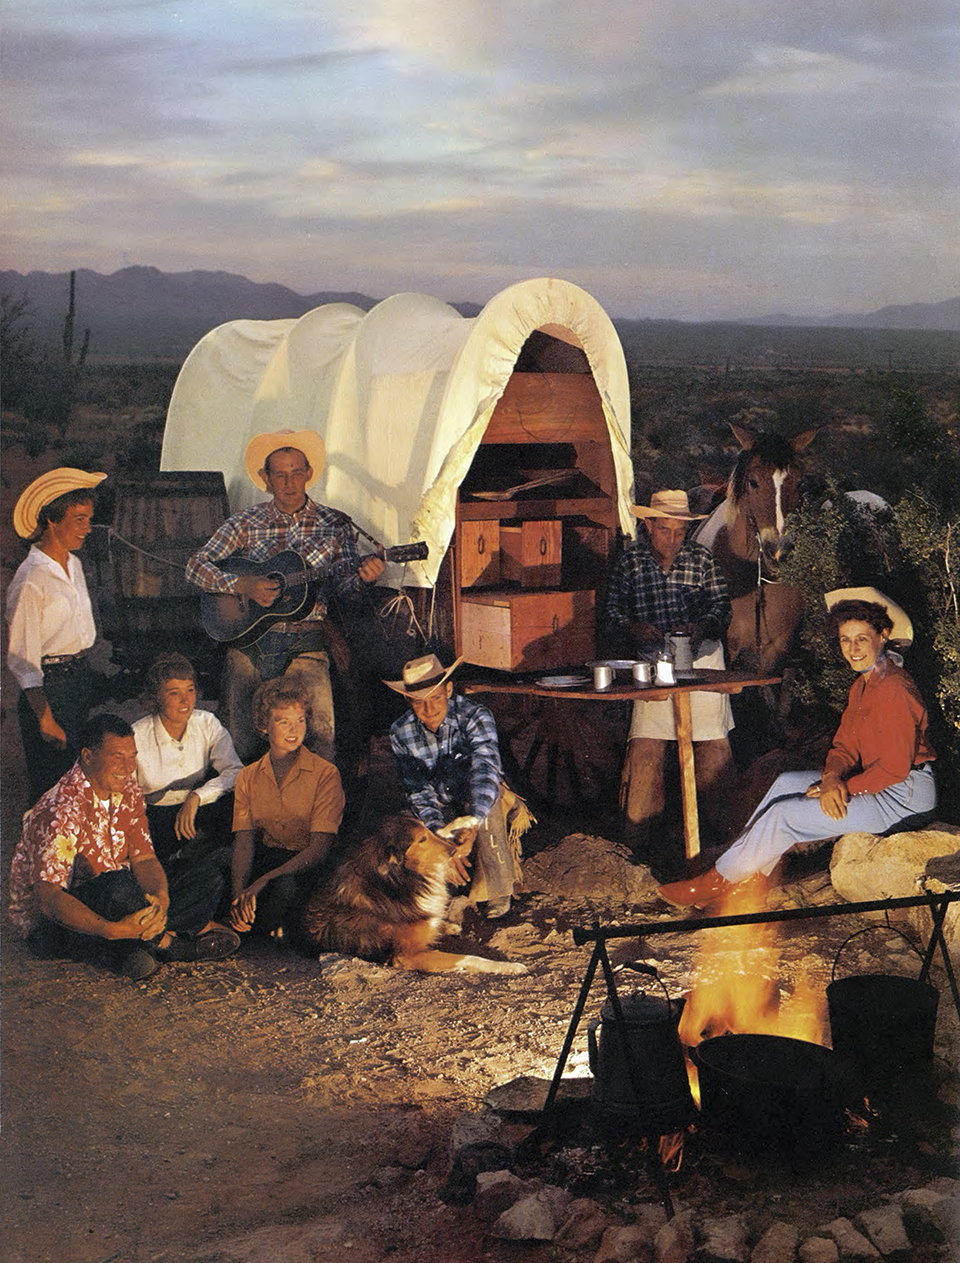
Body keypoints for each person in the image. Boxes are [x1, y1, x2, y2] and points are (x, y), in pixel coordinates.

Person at [659, 592, 937, 908]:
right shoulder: (863, 684)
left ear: (882, 636)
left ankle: (713, 882)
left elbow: (894, 769)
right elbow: (844, 744)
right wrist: (831, 776)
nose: (853, 649)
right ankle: (751, 879)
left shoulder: (894, 689)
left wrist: (843, 788)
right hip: (879, 784)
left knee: (785, 815)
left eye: (862, 639)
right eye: (846, 640)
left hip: (904, 798)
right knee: (784, 784)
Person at [185, 429, 385, 766]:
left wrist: (364, 578)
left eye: (296, 472)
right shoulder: (245, 522)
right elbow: (194, 568)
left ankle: (315, 813)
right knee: (240, 744)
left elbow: (347, 591)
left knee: (320, 741)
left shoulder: (335, 525)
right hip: (249, 644)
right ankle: (245, 810)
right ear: (265, 478)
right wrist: (241, 586)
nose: (289, 482)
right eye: (280, 474)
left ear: (308, 474)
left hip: (305, 643)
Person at [8, 714, 239, 982]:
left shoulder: (127, 789)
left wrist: (160, 899)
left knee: (205, 876)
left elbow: (143, 858)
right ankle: (167, 945)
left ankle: (132, 946)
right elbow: (48, 900)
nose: (128, 767)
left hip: (122, 898)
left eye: (133, 757)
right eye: (118, 757)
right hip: (58, 921)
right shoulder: (60, 809)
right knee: (116, 885)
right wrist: (109, 929)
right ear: (87, 756)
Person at [605, 489, 735, 874]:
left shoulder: (701, 558)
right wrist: (633, 626)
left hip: (702, 656)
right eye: (665, 531)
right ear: (648, 526)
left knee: (712, 744)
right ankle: (639, 841)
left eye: (679, 532)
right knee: (647, 746)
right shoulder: (631, 562)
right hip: (653, 658)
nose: (673, 539)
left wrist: (701, 626)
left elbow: (721, 607)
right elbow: (612, 610)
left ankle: (722, 836)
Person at [385, 654, 531, 920]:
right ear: (408, 700)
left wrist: (472, 822)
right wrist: (440, 834)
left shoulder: (476, 715)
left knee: (489, 800)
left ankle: (496, 889)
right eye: (419, 702)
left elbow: (486, 769)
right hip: (438, 803)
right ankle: (441, 888)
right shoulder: (400, 732)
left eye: (436, 698)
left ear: (448, 689)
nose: (429, 710)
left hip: (475, 798)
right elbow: (417, 788)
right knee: (409, 832)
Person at [6, 467, 107, 804]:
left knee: (77, 784)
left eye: (88, 519)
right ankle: (42, 856)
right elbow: (23, 661)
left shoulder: (74, 565)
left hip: (78, 679)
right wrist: (45, 718)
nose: (87, 528)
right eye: (79, 519)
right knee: (51, 790)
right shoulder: (32, 580)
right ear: (52, 520)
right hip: (50, 692)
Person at [229, 677, 345, 939]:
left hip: (305, 865)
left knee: (284, 889)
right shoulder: (248, 776)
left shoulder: (325, 774)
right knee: (219, 870)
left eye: (300, 720)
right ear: (263, 726)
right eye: (283, 721)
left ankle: (259, 931)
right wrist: (238, 893)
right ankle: (238, 919)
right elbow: (244, 840)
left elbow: (319, 848)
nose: (294, 729)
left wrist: (264, 881)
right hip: (268, 855)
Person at [132, 652, 243, 866]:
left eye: (190, 690)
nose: (186, 700)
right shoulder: (137, 735)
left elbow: (236, 770)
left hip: (197, 808)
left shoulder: (206, 722)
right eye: (174, 693)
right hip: (154, 817)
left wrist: (197, 797)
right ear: (156, 696)